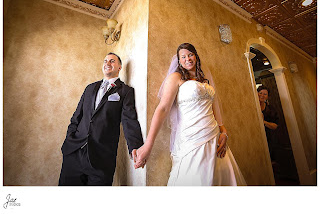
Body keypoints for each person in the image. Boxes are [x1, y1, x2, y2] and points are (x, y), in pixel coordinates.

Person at [133, 43, 246, 186]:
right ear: (179, 61)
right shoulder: (176, 77)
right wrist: (148, 145)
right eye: (183, 57)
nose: (188, 59)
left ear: (196, 56)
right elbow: (163, 109)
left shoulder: (205, 80)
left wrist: (224, 131)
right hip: (191, 138)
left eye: (190, 54)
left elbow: (213, 107)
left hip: (214, 135)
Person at [59, 52, 144, 186]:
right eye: (105, 61)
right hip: (75, 153)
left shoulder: (125, 91)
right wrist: (70, 138)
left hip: (102, 158)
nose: (107, 64)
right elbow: (77, 116)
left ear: (119, 67)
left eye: (112, 61)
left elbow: (129, 120)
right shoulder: (89, 88)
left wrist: (135, 147)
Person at [257, 85, 279, 162]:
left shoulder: (271, 109)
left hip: (269, 138)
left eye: (265, 94)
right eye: (260, 93)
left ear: (267, 97)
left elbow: (275, 126)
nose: (262, 95)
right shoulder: (252, 107)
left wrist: (263, 122)